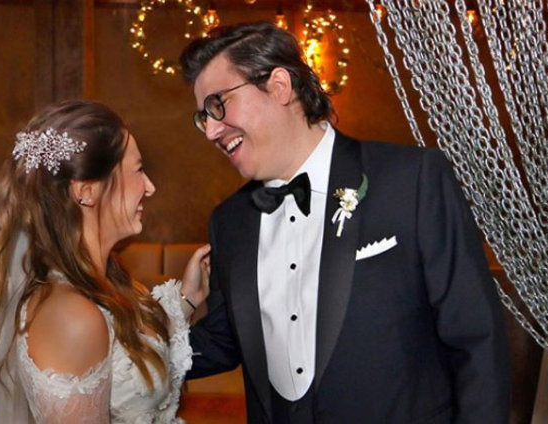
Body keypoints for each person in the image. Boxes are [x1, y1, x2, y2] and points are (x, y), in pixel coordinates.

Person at [180, 21, 510, 423]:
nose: (211, 130)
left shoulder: (412, 181)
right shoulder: (229, 222)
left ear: (279, 86)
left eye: (218, 105)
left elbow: (476, 340)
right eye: (203, 117)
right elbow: (222, 341)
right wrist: (124, 352)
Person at [0, 100, 210, 423]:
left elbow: (129, 354)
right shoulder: (72, 316)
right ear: (87, 192)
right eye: (138, 170)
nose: (150, 187)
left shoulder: (105, 278)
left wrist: (187, 299)